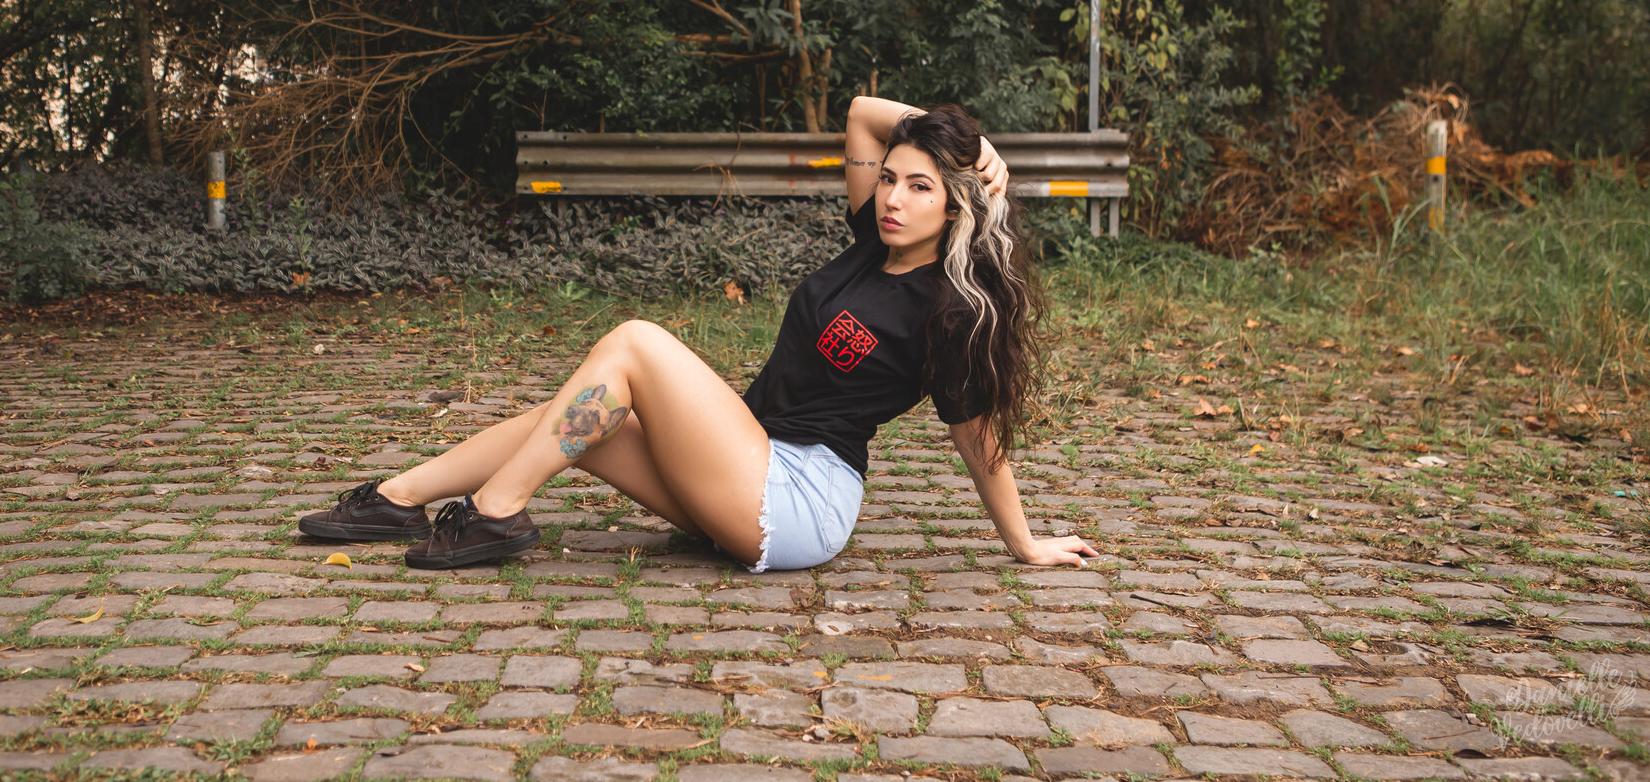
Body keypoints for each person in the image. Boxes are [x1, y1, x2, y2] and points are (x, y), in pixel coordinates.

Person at [296, 96, 1101, 572]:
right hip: (746, 457)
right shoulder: (872, 240)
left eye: (920, 187)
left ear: (956, 206)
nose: (892, 198)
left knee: (636, 343)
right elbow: (863, 113)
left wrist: (1025, 543)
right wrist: (976, 143)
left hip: (799, 499)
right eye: (889, 178)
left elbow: (978, 441)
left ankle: (496, 512)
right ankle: (399, 499)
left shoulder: (950, 312)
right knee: (577, 414)